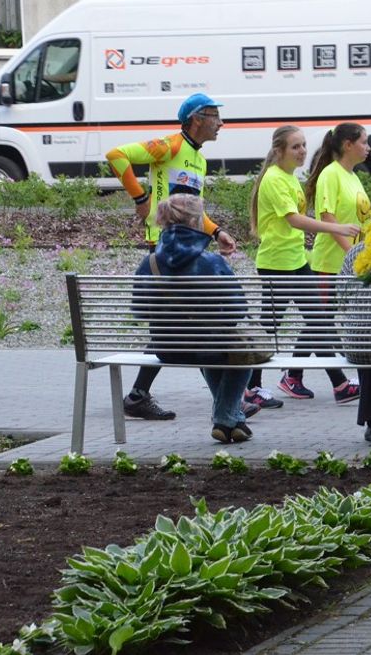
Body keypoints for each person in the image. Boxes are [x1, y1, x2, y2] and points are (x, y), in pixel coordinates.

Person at [107, 93, 238, 422]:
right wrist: (140, 196)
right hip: (165, 248)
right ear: (197, 119)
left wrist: (216, 231)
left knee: (184, 323)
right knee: (189, 323)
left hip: (190, 244)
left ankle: (141, 394)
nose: (221, 123)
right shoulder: (171, 146)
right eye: (215, 116)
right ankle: (224, 401)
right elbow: (116, 155)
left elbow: (195, 210)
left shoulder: (200, 160)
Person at [246, 124, 364, 412]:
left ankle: (336, 384)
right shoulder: (274, 180)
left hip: (295, 260)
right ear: (279, 151)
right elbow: (294, 220)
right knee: (274, 325)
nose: (302, 152)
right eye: (295, 147)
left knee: (317, 319)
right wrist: (334, 227)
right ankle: (251, 387)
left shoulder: (288, 177)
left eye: (303, 146)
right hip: (277, 265)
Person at [132, 195, 251, 444]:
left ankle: (235, 420)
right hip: (209, 348)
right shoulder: (212, 262)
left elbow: (140, 312)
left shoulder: (150, 262)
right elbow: (238, 310)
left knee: (212, 349)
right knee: (240, 354)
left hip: (167, 349)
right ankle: (225, 417)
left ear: (164, 223)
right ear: (197, 222)